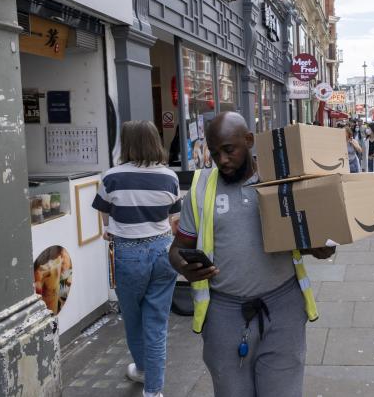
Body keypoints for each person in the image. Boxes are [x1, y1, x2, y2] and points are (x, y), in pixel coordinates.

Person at [168, 112, 334, 397]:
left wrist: (322, 246)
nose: (222, 160)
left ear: (249, 141)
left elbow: (322, 239)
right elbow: (176, 250)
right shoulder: (200, 189)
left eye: (229, 150)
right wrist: (184, 266)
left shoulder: (282, 179)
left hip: (283, 310)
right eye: (215, 152)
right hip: (224, 315)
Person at [92, 121, 181, 397]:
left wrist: (111, 230)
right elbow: (173, 218)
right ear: (155, 141)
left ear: (127, 143)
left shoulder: (112, 176)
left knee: (133, 318)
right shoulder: (170, 177)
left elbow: (105, 216)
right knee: (157, 322)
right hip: (163, 252)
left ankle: (142, 370)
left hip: (127, 254)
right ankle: (153, 391)